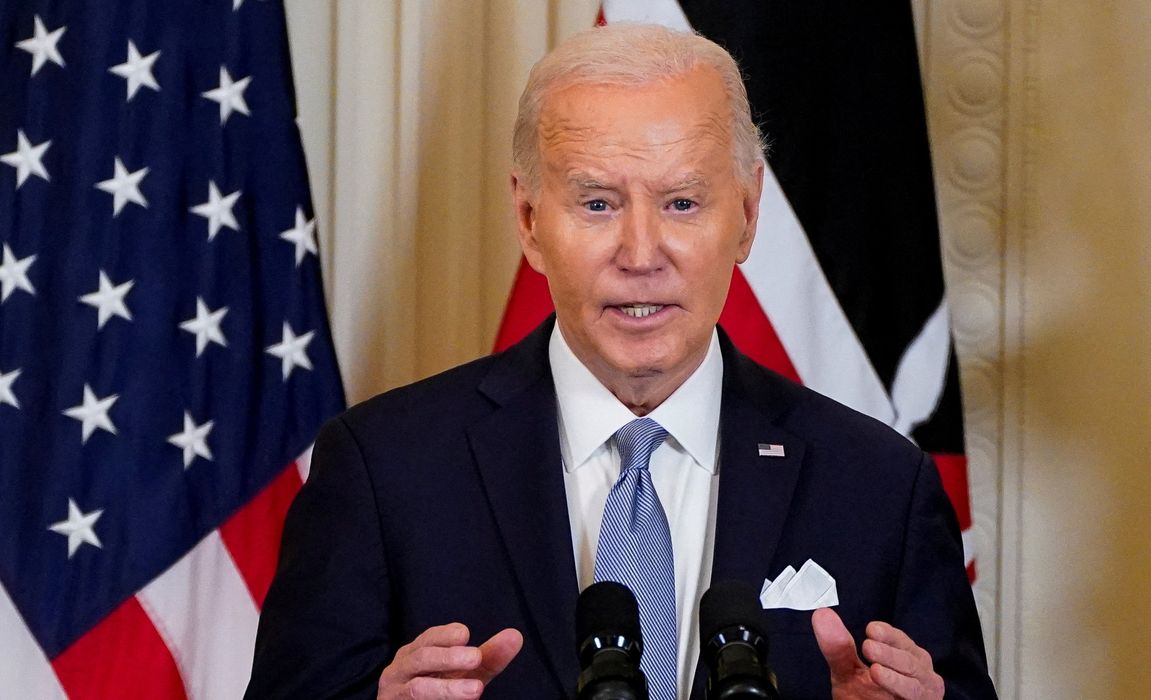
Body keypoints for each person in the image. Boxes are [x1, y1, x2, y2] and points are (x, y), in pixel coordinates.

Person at [246, 23, 995, 700]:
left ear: (746, 214)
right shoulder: (384, 469)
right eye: (598, 204)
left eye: (681, 203)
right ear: (530, 221)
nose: (641, 256)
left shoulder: (877, 484)